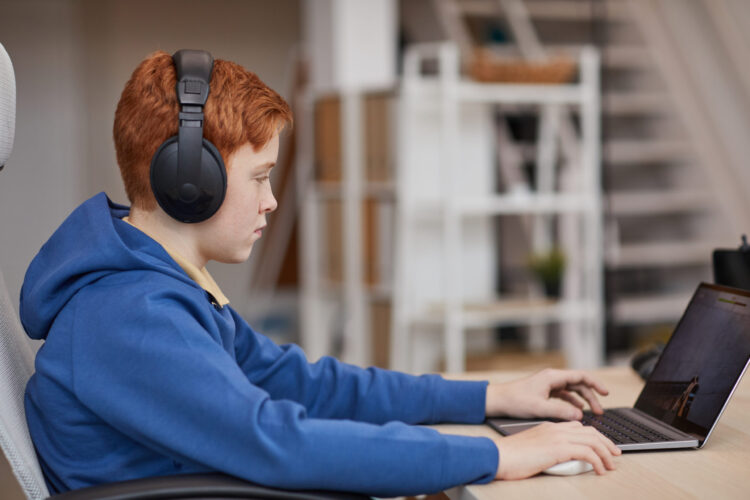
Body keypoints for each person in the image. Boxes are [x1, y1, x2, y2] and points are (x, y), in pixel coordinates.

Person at [20, 50, 620, 497]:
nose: (272, 201)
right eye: (259, 178)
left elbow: (301, 384)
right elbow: (273, 440)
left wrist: (492, 396)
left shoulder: (163, 286)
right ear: (188, 184)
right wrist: (493, 455)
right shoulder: (130, 315)